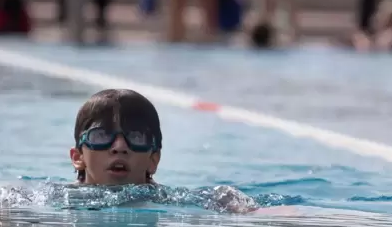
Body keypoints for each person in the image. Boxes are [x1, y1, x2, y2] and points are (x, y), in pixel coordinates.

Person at [70, 89, 258, 213]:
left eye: (136, 137)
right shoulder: (59, 198)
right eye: (101, 136)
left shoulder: (166, 199)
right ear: (78, 157)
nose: (120, 147)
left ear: (153, 160)